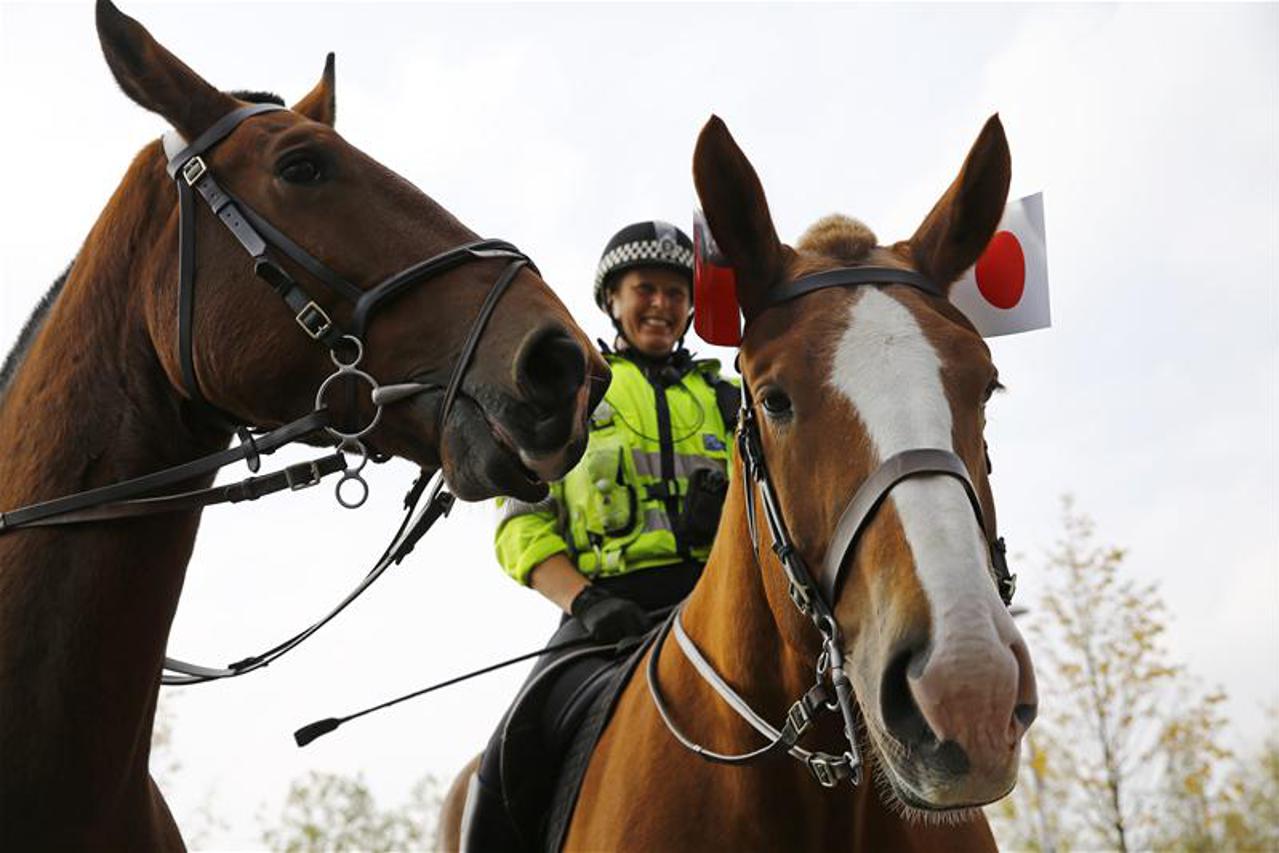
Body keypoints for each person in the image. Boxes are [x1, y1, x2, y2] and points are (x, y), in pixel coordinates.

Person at [461, 221, 739, 851]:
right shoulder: (570, 395)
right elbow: (520, 525)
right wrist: (586, 602)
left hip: (720, 605)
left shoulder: (729, 399)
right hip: (606, 613)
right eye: (647, 289)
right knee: (513, 747)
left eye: (678, 293)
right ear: (612, 298)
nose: (663, 306)